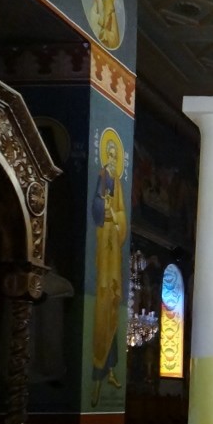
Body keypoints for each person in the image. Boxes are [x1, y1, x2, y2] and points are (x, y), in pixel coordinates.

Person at [91, 132, 127, 407]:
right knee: (103, 301)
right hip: (103, 249)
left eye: (116, 152)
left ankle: (111, 370)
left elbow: (122, 214)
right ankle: (97, 373)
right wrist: (107, 211)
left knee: (114, 303)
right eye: (110, 151)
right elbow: (96, 206)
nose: (113, 156)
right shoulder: (102, 177)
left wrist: (117, 217)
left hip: (114, 248)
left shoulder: (116, 181)